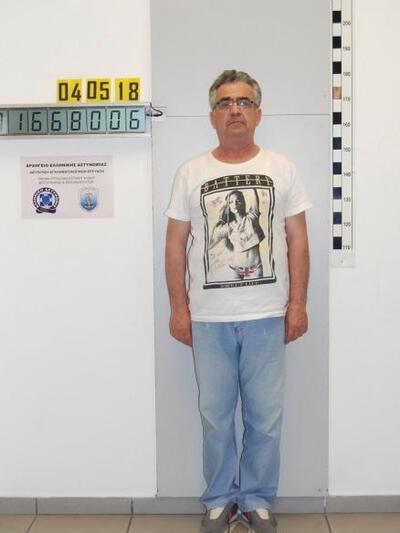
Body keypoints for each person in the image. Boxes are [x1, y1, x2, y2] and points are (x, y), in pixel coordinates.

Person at [165, 70, 311, 533]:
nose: (235, 110)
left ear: (258, 113)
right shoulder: (191, 173)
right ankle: (220, 499)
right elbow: (175, 246)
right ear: (212, 116)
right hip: (209, 319)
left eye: (244, 102)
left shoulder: (282, 168)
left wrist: (298, 304)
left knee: (265, 418)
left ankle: (257, 499)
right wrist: (179, 309)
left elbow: (298, 241)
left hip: (267, 314)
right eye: (226, 103)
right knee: (215, 417)